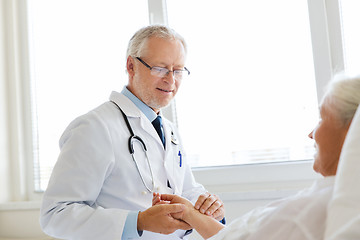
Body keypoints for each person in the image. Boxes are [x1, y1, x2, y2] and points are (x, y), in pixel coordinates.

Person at [40, 25, 225, 240]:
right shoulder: (95, 127)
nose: (171, 80)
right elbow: (55, 215)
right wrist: (139, 221)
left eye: (178, 70)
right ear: (131, 66)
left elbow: (185, 191)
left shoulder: (169, 130)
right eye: (160, 68)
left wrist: (208, 206)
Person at [152, 73, 360, 240]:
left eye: (322, 118)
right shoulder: (335, 198)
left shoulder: (310, 211)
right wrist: (189, 212)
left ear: (351, 131)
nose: (312, 133)